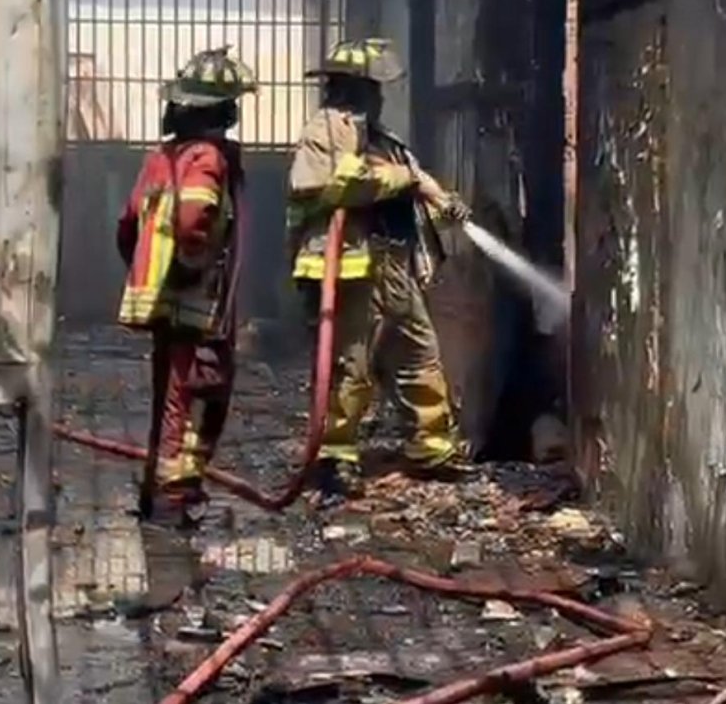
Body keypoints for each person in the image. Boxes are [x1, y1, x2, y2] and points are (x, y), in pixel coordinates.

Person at [287, 38, 471, 506]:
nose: (378, 97)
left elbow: (412, 173)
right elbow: (334, 185)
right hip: (345, 266)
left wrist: (442, 201)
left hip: (389, 261)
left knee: (417, 349)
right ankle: (335, 456)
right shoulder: (324, 130)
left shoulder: (380, 137)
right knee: (350, 362)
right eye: (372, 88)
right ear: (351, 87)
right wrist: (398, 180)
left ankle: (430, 445)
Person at [116, 46, 255, 526]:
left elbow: (128, 223)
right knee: (197, 391)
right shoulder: (207, 157)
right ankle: (174, 495)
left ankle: (159, 486)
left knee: (169, 392)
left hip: (159, 296)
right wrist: (194, 264)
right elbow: (195, 217)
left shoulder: (160, 157)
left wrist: (144, 272)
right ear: (222, 111)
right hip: (191, 298)